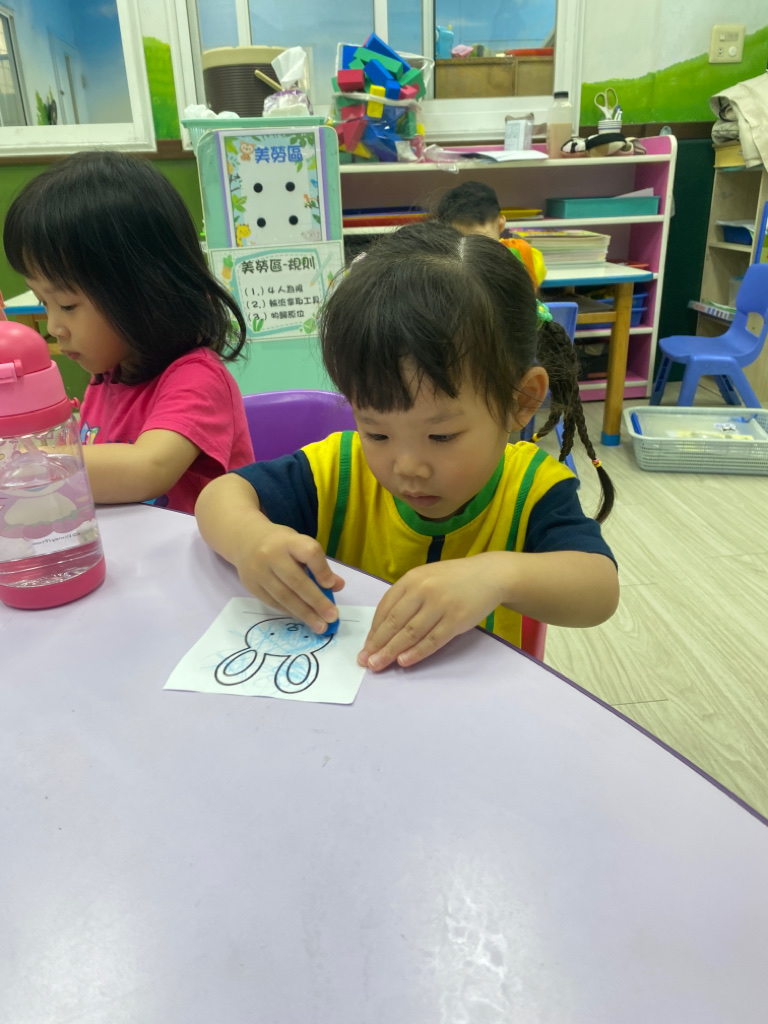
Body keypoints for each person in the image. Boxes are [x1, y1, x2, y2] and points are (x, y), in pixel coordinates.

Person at [195, 222, 618, 672]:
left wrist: (497, 575)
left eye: (442, 436)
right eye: (377, 433)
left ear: (521, 401)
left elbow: (599, 589)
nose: (408, 467)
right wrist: (250, 539)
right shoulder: (340, 471)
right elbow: (220, 496)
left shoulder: (530, 489)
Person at [3, 150, 254, 514]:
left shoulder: (197, 378)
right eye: (44, 303)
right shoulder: (109, 375)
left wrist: (28, 461)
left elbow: (146, 469)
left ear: (145, 291)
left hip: (194, 549)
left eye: (67, 305)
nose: (54, 327)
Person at [436, 179, 547, 287]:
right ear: (501, 224)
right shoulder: (528, 255)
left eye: (484, 243)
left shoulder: (525, 254)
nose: (476, 253)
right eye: (464, 245)